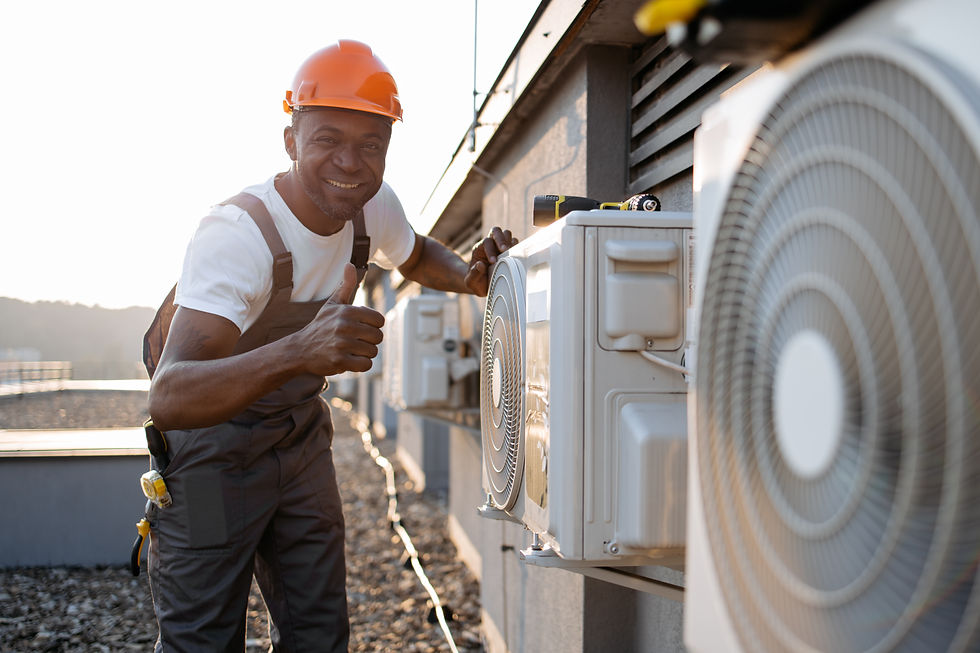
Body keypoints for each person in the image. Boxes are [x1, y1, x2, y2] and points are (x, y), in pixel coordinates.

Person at [145, 40, 516, 652]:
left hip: (296, 443)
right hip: (208, 457)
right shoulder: (238, 235)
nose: (351, 162)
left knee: (318, 631)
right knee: (201, 639)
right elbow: (171, 395)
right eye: (326, 139)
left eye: (371, 144)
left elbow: (417, 253)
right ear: (290, 141)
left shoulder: (371, 206)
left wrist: (469, 278)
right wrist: (299, 350)